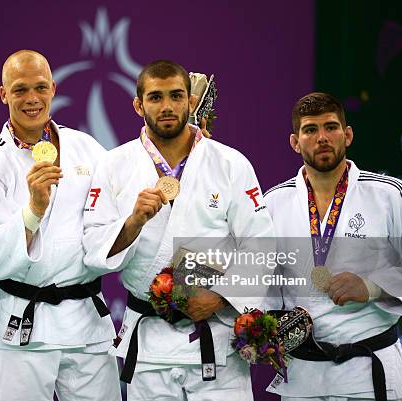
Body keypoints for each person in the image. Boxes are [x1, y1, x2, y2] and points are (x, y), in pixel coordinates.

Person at [82, 59, 275, 401]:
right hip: (150, 344)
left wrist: (218, 298)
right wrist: (133, 222)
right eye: (156, 97)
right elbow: (95, 252)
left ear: (190, 101)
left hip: (216, 341)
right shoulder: (114, 164)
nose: (167, 106)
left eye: (176, 96)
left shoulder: (230, 163)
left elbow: (261, 247)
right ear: (138, 105)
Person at [0, 50, 121, 401]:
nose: (32, 99)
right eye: (20, 90)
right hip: (22, 326)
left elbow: (117, 215)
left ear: (54, 89)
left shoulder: (88, 149)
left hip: (87, 324)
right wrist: (32, 211)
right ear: (3, 95)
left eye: (40, 88)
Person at [263, 92, 402, 401]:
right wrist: (261, 329)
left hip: (368, 369)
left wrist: (373, 287)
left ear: (347, 135)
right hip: (302, 378)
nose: (322, 137)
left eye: (331, 127)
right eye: (310, 129)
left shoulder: (389, 194)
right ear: (295, 142)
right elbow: (261, 282)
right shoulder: (273, 203)